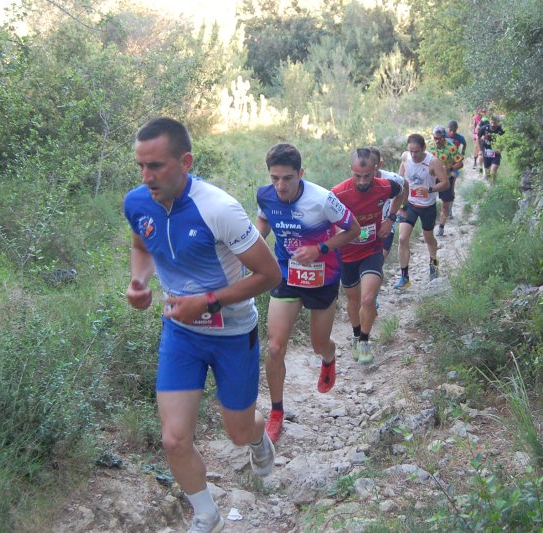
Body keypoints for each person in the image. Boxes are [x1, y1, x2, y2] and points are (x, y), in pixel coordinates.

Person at [123, 117, 282, 533]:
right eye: (140, 165)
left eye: (155, 166)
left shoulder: (219, 208)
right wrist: (139, 281)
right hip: (181, 334)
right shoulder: (137, 202)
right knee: (174, 438)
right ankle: (206, 513)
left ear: (185, 161)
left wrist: (207, 301)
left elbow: (270, 275)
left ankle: (255, 436)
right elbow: (143, 245)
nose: (146, 176)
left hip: (232, 333)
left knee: (236, 429)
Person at [256, 143, 360, 442]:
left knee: (318, 344)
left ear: (301, 173)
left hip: (322, 278)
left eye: (287, 178)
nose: (280, 185)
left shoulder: (322, 199)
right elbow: (264, 218)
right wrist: (255, 241)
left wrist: (320, 248)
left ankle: (329, 356)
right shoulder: (265, 195)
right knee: (275, 347)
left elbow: (353, 230)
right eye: (275, 177)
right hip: (286, 274)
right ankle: (276, 412)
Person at [331, 148, 405, 363]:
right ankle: (356, 335)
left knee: (368, 298)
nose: (362, 181)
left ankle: (364, 340)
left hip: (372, 250)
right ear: (350, 171)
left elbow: (402, 191)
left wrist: (391, 219)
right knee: (354, 300)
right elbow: (327, 219)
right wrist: (339, 233)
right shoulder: (338, 193)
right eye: (357, 176)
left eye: (367, 176)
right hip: (347, 253)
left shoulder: (385, 186)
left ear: (376, 169)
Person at [393, 133, 449, 289]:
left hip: (428, 207)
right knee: (403, 239)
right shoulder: (405, 157)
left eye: (416, 151)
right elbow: (400, 179)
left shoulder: (433, 162)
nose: (413, 154)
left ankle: (434, 264)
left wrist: (429, 189)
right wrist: (399, 204)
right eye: (410, 151)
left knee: (429, 238)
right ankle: (404, 278)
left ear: (424, 148)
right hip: (410, 204)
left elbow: (445, 183)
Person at [366, 146, 406, 260]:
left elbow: (405, 185)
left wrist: (402, 207)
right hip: (367, 228)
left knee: (379, 260)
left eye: (371, 167)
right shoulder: (360, 181)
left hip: (387, 224)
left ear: (379, 164)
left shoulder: (392, 178)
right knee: (370, 264)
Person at [428, 125, 464, 237]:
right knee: (429, 204)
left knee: (445, 204)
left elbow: (460, 163)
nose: (437, 140)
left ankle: (441, 227)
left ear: (444, 136)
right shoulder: (429, 146)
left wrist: (451, 168)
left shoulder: (451, 147)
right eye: (435, 138)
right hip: (432, 179)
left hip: (447, 178)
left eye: (440, 138)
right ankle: (429, 227)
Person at [479, 115, 505, 184]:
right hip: (486, 152)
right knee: (487, 174)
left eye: (495, 123)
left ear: (498, 122)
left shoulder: (501, 130)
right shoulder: (484, 128)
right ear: (489, 122)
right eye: (492, 122)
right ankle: (489, 187)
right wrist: (480, 150)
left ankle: (493, 186)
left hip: (496, 153)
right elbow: (478, 138)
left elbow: (505, 141)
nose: (493, 124)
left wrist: (500, 149)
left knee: (492, 172)